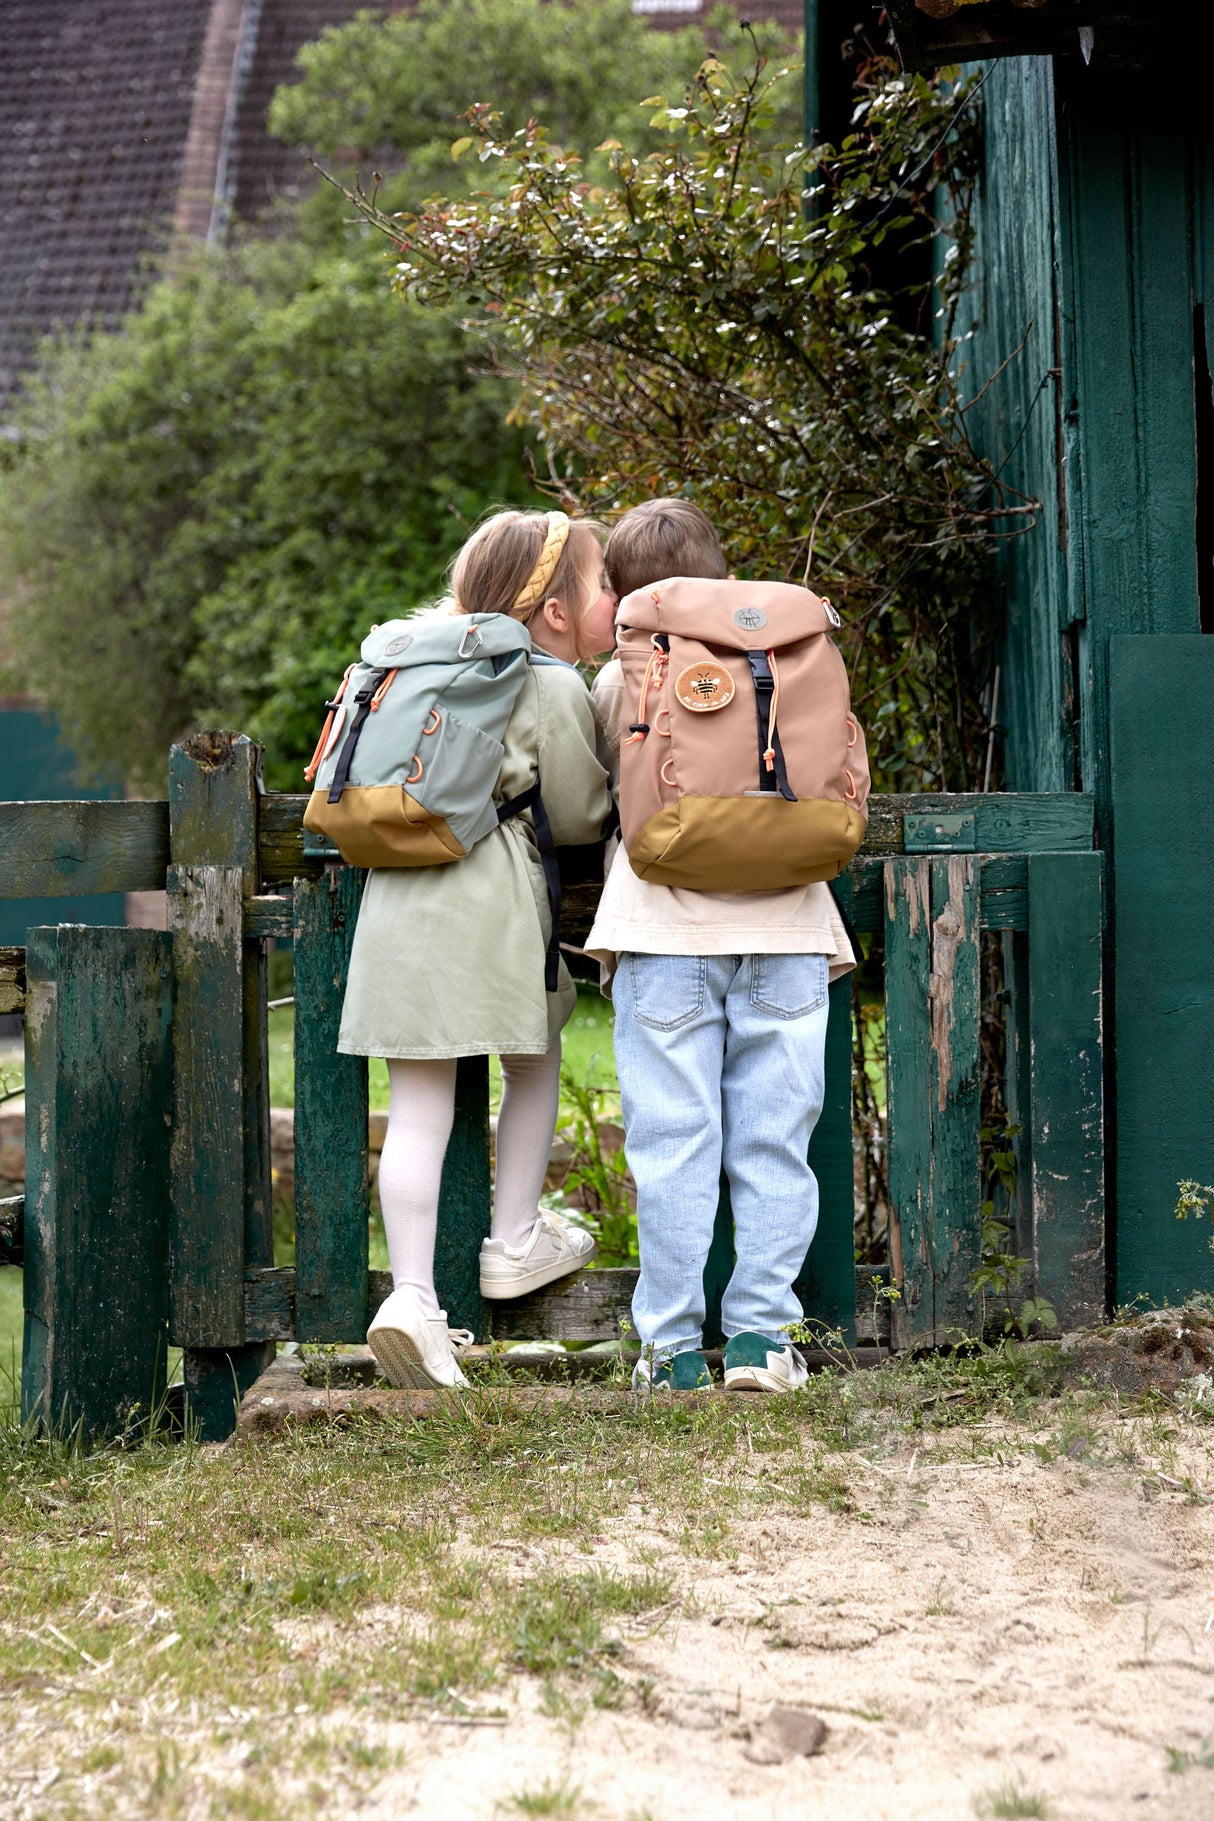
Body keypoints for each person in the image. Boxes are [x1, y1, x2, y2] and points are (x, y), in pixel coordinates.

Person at [340, 509, 615, 1389]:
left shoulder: (411, 664)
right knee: (531, 1060)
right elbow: (576, 814)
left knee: (419, 1109)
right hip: (491, 908)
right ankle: (515, 1235)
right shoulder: (547, 681)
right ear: (559, 613)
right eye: (602, 583)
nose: (613, 597)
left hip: (395, 907)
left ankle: (412, 1299)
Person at [586, 499, 856, 1395]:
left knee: (672, 1142)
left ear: (629, 593)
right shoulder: (787, 650)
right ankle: (762, 1341)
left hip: (663, 931)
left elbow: (598, 797)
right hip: (787, 927)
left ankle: (667, 1350)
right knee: (775, 1140)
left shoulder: (627, 668)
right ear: (720, 570)